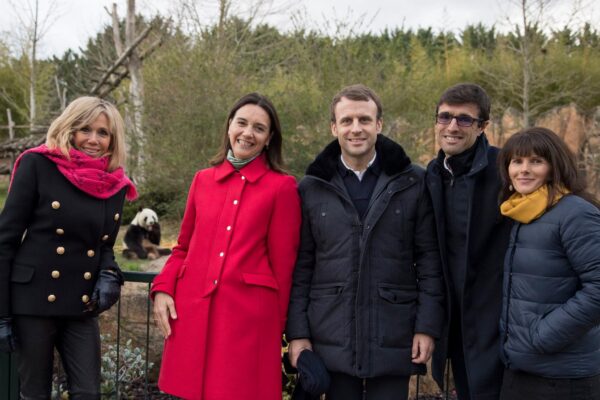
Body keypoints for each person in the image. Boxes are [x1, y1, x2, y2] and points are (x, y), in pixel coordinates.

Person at [286, 84, 444, 400]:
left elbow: (429, 261)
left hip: (393, 333)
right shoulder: (312, 187)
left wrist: (426, 327)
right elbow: (302, 267)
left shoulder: (412, 181)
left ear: (379, 125)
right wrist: (299, 335)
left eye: (364, 120)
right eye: (346, 121)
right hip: (330, 335)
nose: (355, 129)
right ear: (334, 127)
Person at [151, 93, 301, 400]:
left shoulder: (282, 187)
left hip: (248, 321)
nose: (248, 133)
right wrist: (163, 288)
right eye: (242, 123)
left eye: (259, 128)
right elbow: (182, 247)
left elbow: (283, 267)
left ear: (269, 138)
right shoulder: (202, 180)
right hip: (192, 312)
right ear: (229, 126)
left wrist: (278, 331)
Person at [0, 96, 137, 399]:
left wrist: (110, 273)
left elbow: (104, 246)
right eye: (85, 129)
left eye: (103, 133)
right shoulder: (38, 164)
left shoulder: (113, 182)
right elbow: (5, 242)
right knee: (34, 393)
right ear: (69, 130)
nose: (93, 139)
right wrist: (2, 314)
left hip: (80, 305)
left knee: (88, 392)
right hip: (33, 302)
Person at [497, 127, 600, 400]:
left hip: (563, 376)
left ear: (555, 167)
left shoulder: (575, 213)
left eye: (536, 161)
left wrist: (544, 336)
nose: (524, 170)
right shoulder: (521, 212)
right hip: (521, 368)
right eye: (517, 161)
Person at [426, 83, 511, 400]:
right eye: (444, 117)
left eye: (464, 119)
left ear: (483, 126)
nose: (452, 126)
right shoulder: (432, 175)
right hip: (454, 325)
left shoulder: (507, 170)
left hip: (499, 324)